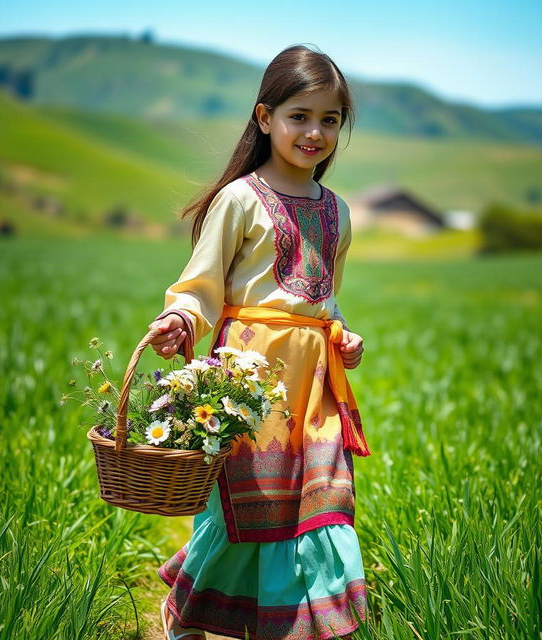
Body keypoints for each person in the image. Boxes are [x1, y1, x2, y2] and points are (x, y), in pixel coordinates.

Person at [148, 43, 371, 640]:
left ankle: (294, 626)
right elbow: (201, 288)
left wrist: (343, 338)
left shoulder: (339, 213)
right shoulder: (239, 200)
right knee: (244, 511)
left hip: (316, 388)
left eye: (330, 120)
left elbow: (323, 302)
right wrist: (181, 321)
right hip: (247, 384)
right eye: (300, 115)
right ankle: (187, 612)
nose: (315, 132)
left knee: (323, 511)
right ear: (264, 116)